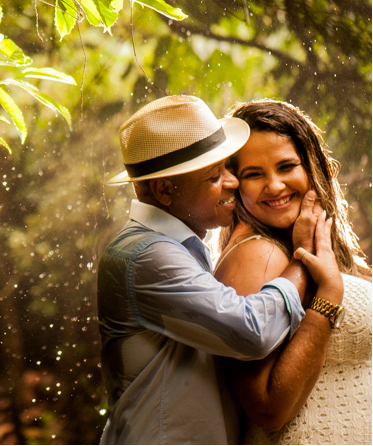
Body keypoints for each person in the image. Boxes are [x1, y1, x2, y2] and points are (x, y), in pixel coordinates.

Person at [96, 95, 339, 444]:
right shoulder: (146, 256)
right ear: (164, 190)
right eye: (215, 176)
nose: (233, 182)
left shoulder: (173, 248)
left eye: (229, 168)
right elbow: (251, 332)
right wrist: (306, 259)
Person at [214, 100, 371, 445]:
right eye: (254, 174)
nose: (274, 186)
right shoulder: (258, 254)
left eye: (287, 166)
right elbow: (268, 408)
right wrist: (328, 298)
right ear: (234, 184)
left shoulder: (301, 245)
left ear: (311, 167)